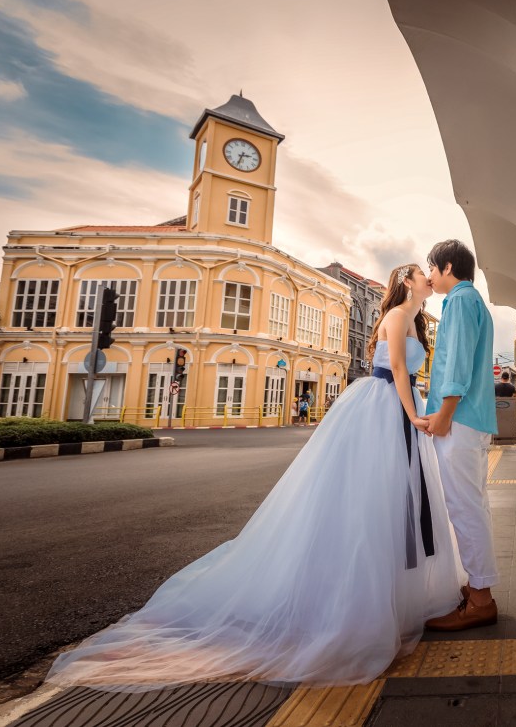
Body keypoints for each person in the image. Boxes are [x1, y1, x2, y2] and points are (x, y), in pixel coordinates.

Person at [44, 263, 463, 689]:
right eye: (421, 272)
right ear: (405, 283)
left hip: (396, 408)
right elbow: (395, 368)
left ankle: (385, 597)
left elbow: (408, 372)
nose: (428, 277)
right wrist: (413, 415)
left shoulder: (415, 320)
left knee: (391, 502)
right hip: (383, 406)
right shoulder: (396, 317)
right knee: (367, 500)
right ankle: (355, 602)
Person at [421, 239, 501, 631]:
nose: (430, 277)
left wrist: (444, 414)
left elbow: (458, 363)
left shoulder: (459, 302)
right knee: (474, 506)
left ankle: (481, 601)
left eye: (432, 269)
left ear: (448, 267)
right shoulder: (473, 302)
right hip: (473, 420)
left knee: (464, 508)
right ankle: (479, 587)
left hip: (461, 419)